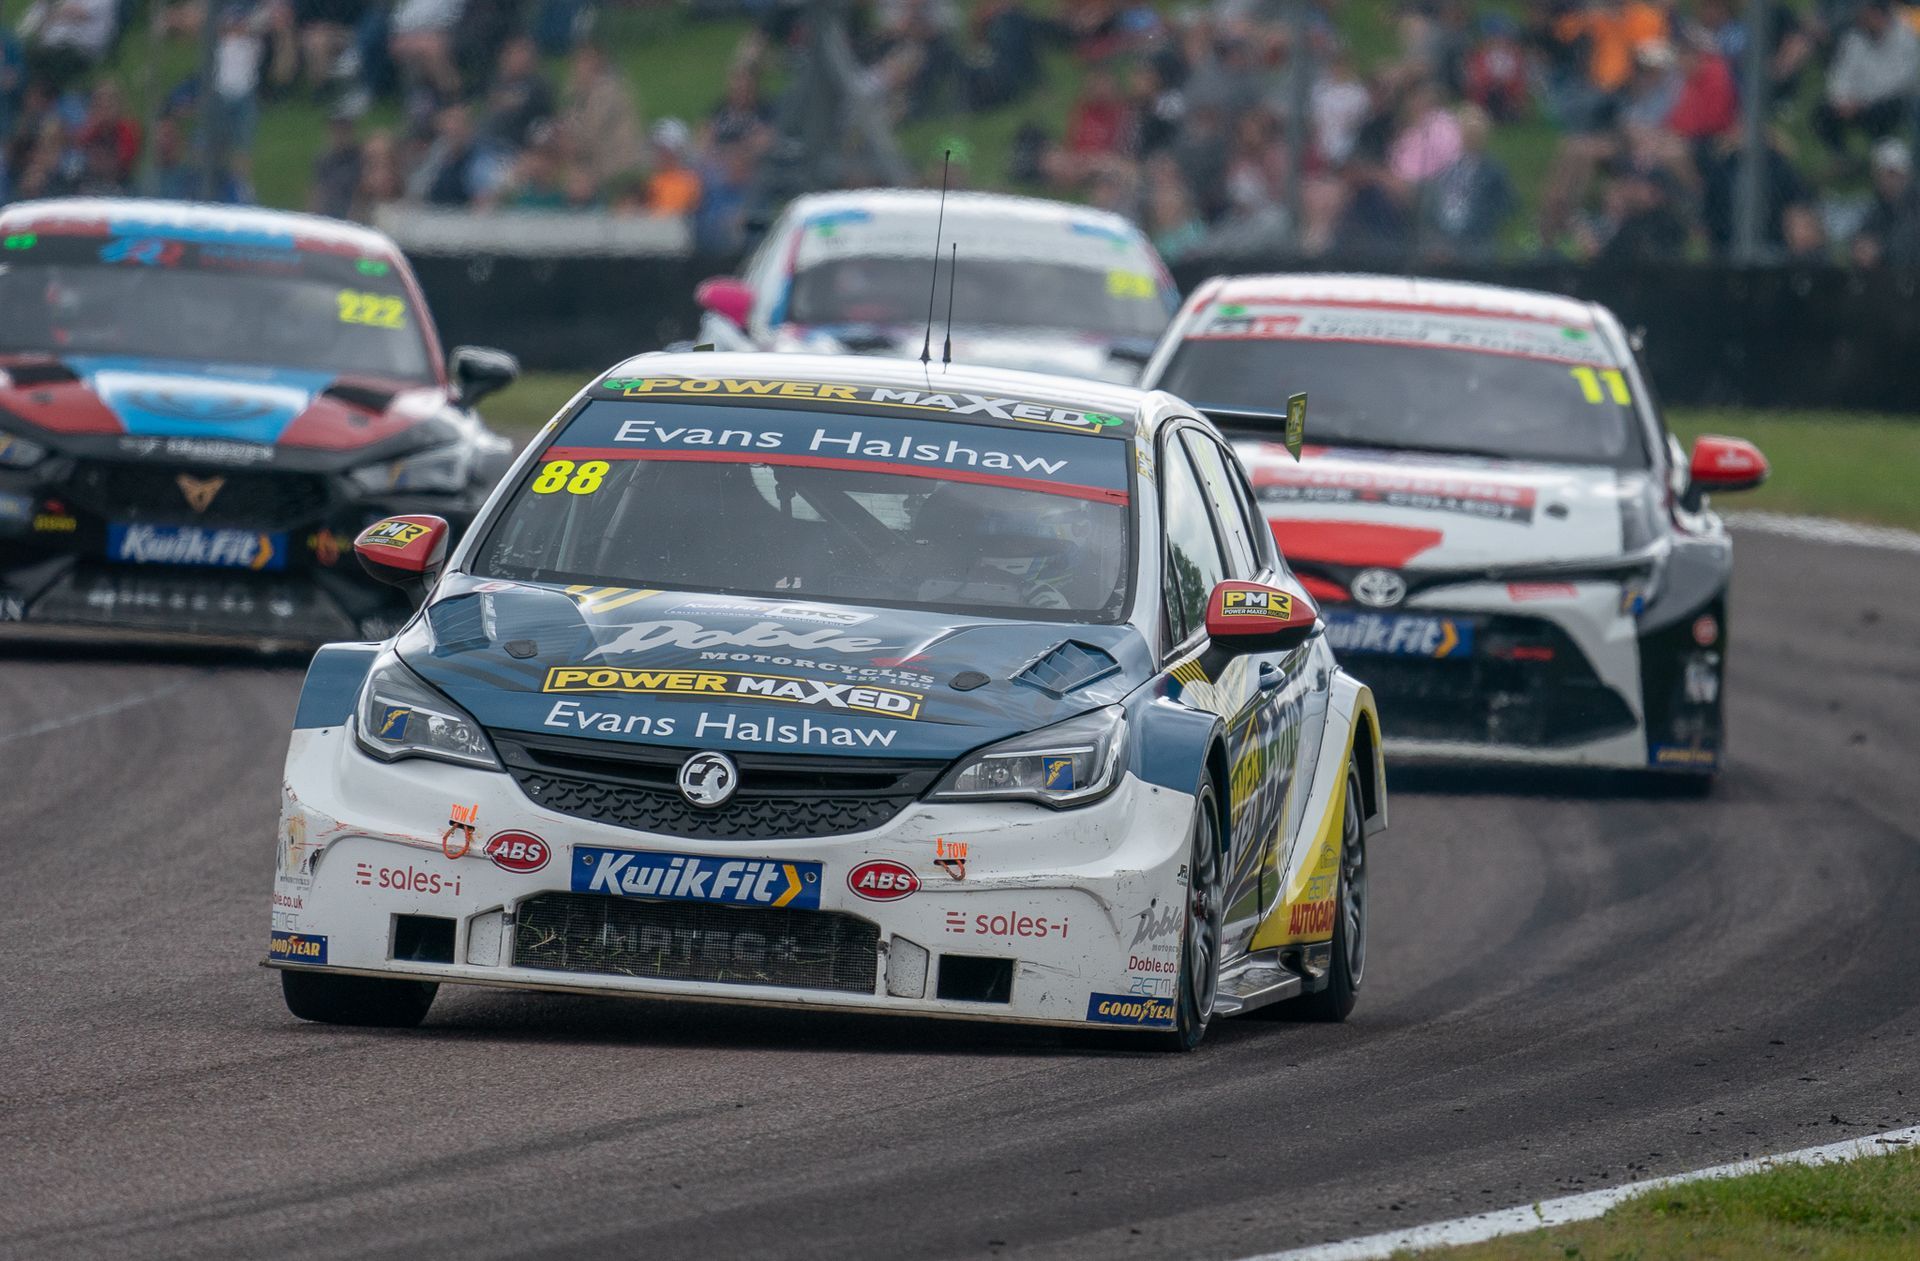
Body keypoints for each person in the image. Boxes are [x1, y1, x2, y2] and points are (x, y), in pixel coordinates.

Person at [1815, 0, 1919, 156]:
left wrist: (1863, 101)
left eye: (1868, 16)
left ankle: (1886, 151)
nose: (1863, 21)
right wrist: (1841, 99)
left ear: (1881, 15)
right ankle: (1843, 156)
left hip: (1890, 102)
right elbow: (1840, 74)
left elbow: (1901, 81)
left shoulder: (1906, 37)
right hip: (1855, 103)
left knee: (1886, 110)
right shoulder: (1854, 39)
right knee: (1822, 114)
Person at [1419, 103, 1513, 261]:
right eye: (1468, 131)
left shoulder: (1493, 172)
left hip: (1475, 242)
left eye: (1476, 131)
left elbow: (1502, 207)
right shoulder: (1447, 168)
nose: (1472, 136)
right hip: (1442, 239)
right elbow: (1433, 205)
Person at [1851, 137, 1920, 268]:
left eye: (1892, 174)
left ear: (1907, 174)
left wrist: (1881, 250)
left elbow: (1911, 243)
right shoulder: (1878, 206)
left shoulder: (1915, 204)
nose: (1887, 181)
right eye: (1882, 174)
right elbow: (1863, 234)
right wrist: (1860, 248)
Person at [309, 107, 363, 219]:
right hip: (328, 215)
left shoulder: (360, 158)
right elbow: (318, 191)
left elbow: (361, 194)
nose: (339, 134)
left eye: (343, 129)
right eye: (335, 129)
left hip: (351, 215)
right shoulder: (324, 159)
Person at [645, 118, 702, 217]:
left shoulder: (688, 182)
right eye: (657, 149)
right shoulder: (652, 179)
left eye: (663, 150)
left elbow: (670, 215)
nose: (658, 154)